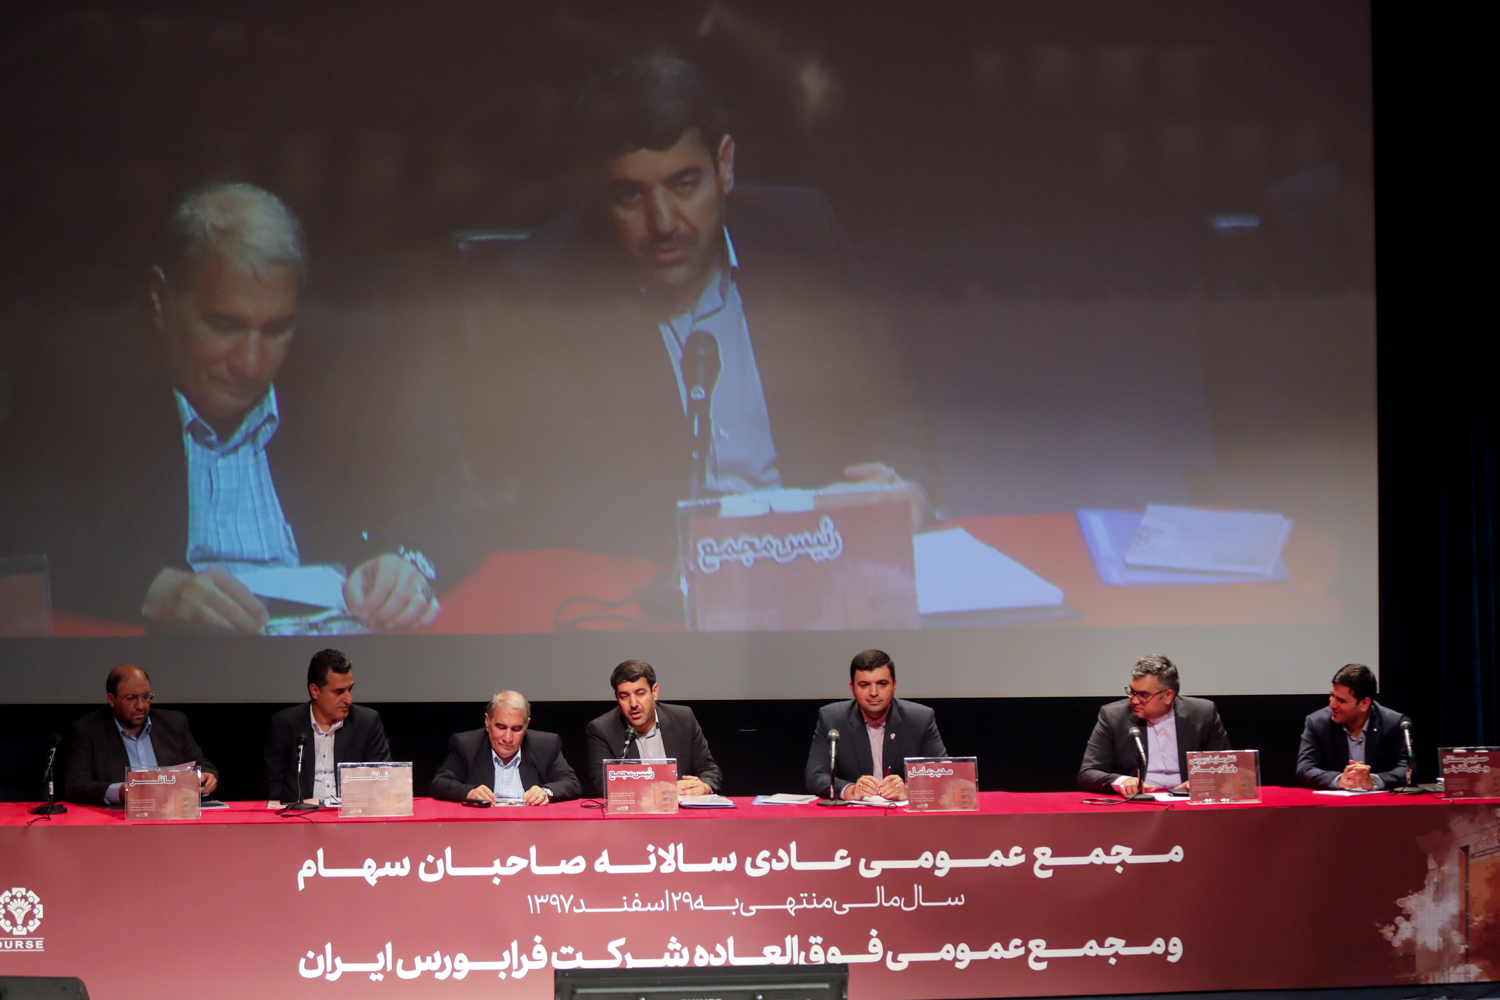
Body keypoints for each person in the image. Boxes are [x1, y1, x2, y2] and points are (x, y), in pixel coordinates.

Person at [476, 54, 935, 561]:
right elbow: (558, 501)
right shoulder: (547, 289)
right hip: (653, 575)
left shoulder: (800, 236)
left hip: (818, 555)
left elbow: (891, 410)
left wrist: (903, 486)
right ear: (598, 195)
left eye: (684, 185)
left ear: (725, 166)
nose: (663, 222)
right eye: (630, 196)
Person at [0, 182, 484, 631]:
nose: (251, 364)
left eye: (275, 329)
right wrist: (153, 589)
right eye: (224, 325)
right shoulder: (79, 377)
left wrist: (406, 562)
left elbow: (454, 505)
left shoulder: (357, 369)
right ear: (161, 300)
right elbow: (18, 530)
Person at [63, 663, 219, 806]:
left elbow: (202, 765)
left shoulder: (173, 724)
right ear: (111, 699)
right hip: (116, 819)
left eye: (146, 696)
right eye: (130, 698)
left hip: (171, 812)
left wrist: (206, 776)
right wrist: (119, 792)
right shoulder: (87, 730)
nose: (141, 705)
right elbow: (75, 785)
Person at [1077, 654, 1232, 795]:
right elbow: (1088, 773)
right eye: (1132, 691)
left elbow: (1227, 768)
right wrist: (1123, 781)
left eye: (1143, 695)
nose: (1134, 700)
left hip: (1187, 799)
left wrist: (1201, 782)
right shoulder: (1113, 716)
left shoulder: (1203, 714)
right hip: (1139, 803)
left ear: (1168, 696)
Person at [804, 649, 946, 801]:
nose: (874, 692)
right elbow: (815, 776)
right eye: (864, 685)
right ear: (852, 688)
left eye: (882, 684)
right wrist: (849, 790)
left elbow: (945, 774)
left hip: (901, 812)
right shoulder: (832, 719)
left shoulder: (920, 719)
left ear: (894, 685)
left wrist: (909, 790)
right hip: (853, 813)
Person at [263, 649, 390, 802]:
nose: (348, 699)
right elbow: (273, 784)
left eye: (350, 689)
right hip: (300, 812)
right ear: (315, 691)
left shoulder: (367, 723)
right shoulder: (285, 724)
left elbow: (384, 779)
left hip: (350, 812)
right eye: (339, 691)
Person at [584, 659, 722, 798]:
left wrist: (705, 787)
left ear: (654, 692)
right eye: (624, 696)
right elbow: (605, 785)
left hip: (681, 808)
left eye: (640, 693)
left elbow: (709, 769)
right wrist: (667, 789)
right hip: (635, 810)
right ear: (617, 698)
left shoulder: (683, 719)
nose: (633, 704)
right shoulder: (602, 729)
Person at [430, 690, 581, 804]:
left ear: (526, 725)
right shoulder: (466, 745)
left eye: (516, 729)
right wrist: (469, 792)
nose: (507, 738)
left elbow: (572, 783)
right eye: (501, 727)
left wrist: (546, 792)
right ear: (487, 722)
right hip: (483, 828)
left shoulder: (546, 745)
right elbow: (439, 784)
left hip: (531, 827)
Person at [1296, 663, 1410, 791]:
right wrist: (1341, 779)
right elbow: (1305, 770)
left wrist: (1373, 780)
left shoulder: (1393, 723)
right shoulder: (1318, 723)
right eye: (1332, 695)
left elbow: (1407, 770)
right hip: (1335, 802)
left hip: (1380, 801)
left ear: (1364, 704)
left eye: (1341, 700)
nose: (1332, 705)